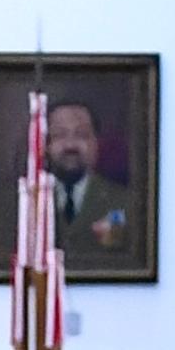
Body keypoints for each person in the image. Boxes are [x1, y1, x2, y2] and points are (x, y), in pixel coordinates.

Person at [43, 97, 137, 258]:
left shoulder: (125, 201)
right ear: (45, 146)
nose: (70, 145)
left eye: (81, 135)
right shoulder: (26, 200)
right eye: (59, 135)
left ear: (96, 144)